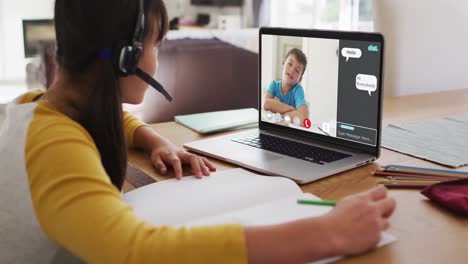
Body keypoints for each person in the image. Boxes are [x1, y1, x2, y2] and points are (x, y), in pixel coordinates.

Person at [0, 0, 396, 263]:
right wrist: (328, 233)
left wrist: (152, 138)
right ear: (128, 56)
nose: (157, 58)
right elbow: (136, 253)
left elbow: (102, 117)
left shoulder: (39, 108)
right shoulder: (55, 146)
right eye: (158, 44)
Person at [264, 48, 310, 126]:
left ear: (300, 79)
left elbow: (304, 118)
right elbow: (266, 104)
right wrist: (293, 110)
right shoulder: (274, 85)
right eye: (290, 64)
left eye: (297, 70)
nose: (292, 70)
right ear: (283, 63)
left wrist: (278, 109)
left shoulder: (298, 90)